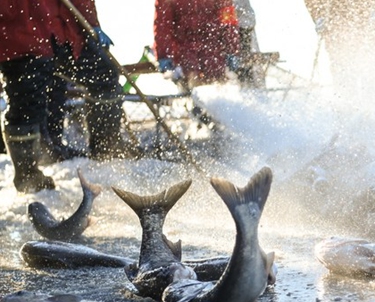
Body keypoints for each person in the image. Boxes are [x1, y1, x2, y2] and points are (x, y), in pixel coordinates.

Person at [46, 0, 133, 161]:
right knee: (47, 86)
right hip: (44, 33)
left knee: (106, 74)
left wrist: (92, 25)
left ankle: (106, 145)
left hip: (71, 33)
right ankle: (49, 148)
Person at [1, 0, 59, 192]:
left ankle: (31, 169)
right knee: (24, 108)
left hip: (34, 38)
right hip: (16, 40)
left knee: (32, 105)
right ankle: (26, 175)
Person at [303, 0, 375, 105]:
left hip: (371, 23)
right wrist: (318, 16)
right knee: (343, 71)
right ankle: (346, 109)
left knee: (374, 69)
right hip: (337, 24)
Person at [153, 0, 241, 89]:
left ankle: (219, 98)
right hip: (184, 46)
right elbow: (163, 26)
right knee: (191, 72)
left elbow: (228, 21)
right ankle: (191, 94)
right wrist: (164, 55)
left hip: (212, 44)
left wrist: (232, 50)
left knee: (216, 73)